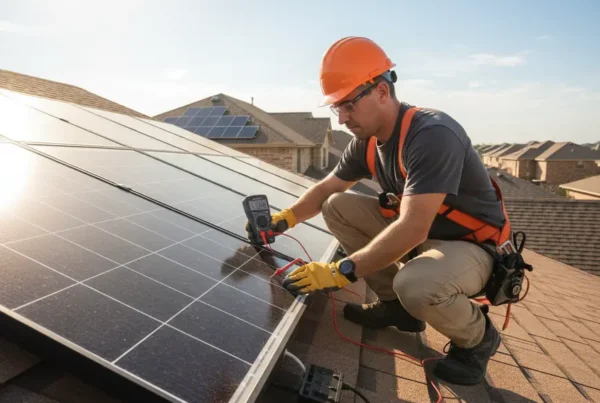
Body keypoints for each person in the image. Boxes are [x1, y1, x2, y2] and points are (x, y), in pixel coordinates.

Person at [247, 36, 509, 386]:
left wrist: (342, 271)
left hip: (472, 247)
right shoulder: (367, 142)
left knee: (415, 284)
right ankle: (396, 308)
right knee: (337, 205)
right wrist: (284, 219)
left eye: (348, 105)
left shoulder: (432, 135)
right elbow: (326, 188)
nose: (341, 119)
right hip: (426, 236)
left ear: (382, 92)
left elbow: (413, 228)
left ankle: (478, 339)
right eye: (335, 107)